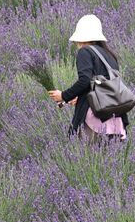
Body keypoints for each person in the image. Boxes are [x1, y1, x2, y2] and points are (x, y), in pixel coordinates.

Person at [47, 14, 128, 143]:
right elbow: (102, 84)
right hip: (115, 119)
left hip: (95, 119)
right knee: (110, 155)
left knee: (87, 153)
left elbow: (85, 80)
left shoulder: (85, 52)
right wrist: (81, 98)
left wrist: (63, 95)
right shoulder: (109, 55)